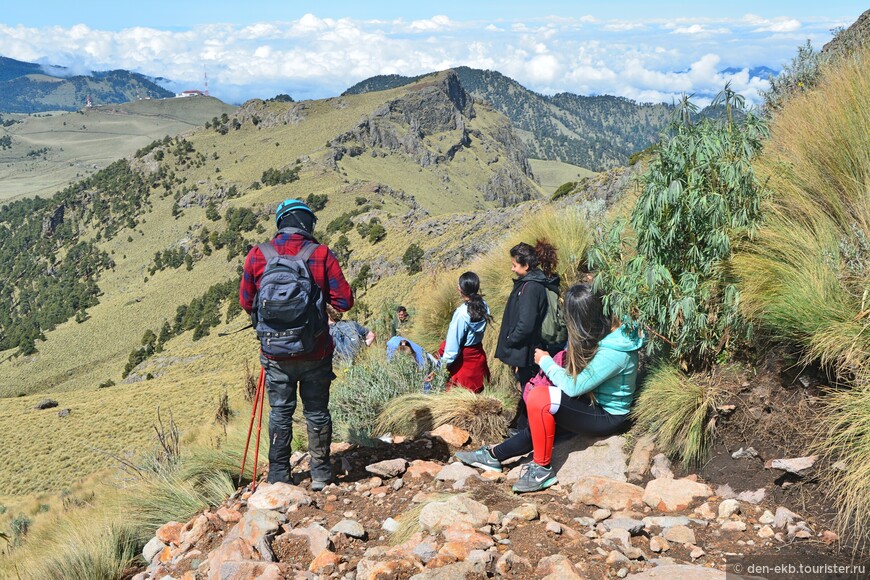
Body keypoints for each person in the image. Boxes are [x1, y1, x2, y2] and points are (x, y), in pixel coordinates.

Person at [456, 284, 646, 493]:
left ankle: (542, 469)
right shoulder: (611, 334)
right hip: (593, 403)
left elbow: (574, 387)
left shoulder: (614, 352)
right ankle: (493, 456)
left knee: (540, 398)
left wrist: (546, 362)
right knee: (539, 427)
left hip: (607, 415)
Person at [239, 198, 353, 491]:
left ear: (281, 222)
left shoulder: (257, 255)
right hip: (315, 349)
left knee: (280, 412)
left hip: (274, 352)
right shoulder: (321, 254)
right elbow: (345, 301)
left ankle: (278, 475)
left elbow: (246, 301)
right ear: (307, 223)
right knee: (316, 411)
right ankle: (320, 474)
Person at [494, 240, 561, 431]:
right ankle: (525, 427)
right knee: (527, 386)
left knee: (529, 387)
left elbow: (526, 324)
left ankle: (529, 430)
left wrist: (510, 340)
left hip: (527, 349)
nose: (512, 268)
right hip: (526, 348)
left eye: (515, 264)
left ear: (526, 265)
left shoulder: (531, 287)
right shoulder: (531, 284)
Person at [429, 272, 491, 393]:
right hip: (478, 358)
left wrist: (438, 370)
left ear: (460, 290)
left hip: (463, 366)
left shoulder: (461, 313)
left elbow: (451, 351)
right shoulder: (483, 305)